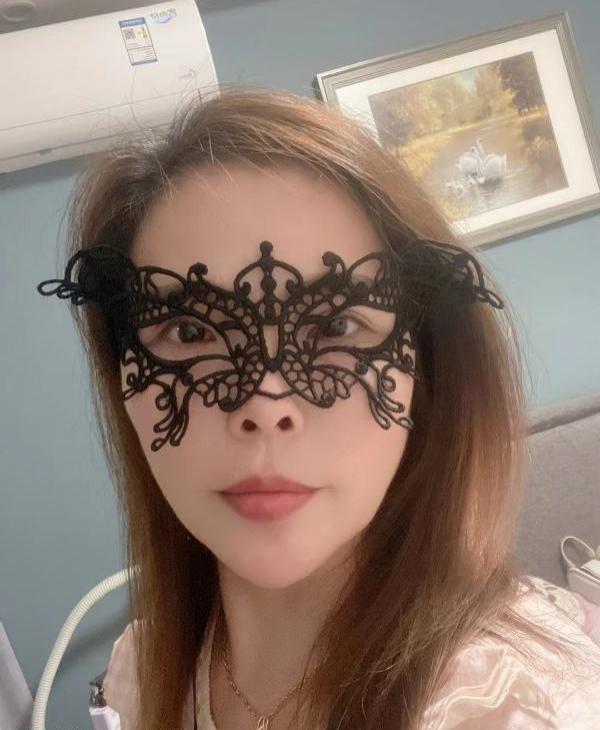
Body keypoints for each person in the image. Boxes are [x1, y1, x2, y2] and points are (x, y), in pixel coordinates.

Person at [37, 86, 600, 730]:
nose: (265, 404)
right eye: (190, 332)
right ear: (123, 382)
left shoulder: (511, 704)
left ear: (425, 370)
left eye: (335, 326)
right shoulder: (143, 670)